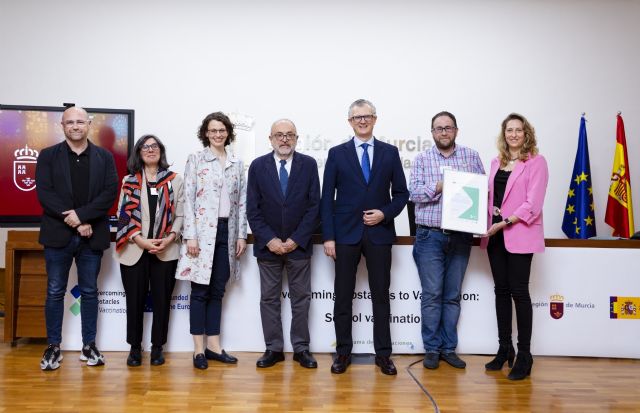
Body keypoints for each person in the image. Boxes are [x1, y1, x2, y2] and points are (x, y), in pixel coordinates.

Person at [321, 99, 409, 376]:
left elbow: (402, 194)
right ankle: (343, 352)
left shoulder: (390, 153)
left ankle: (383, 355)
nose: (362, 121)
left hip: (380, 234)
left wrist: (385, 214)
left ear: (375, 119)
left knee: (381, 296)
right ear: (350, 122)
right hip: (345, 235)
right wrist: (329, 237)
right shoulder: (337, 154)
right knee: (343, 296)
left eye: (367, 116)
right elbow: (327, 199)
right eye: (357, 117)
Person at [36, 106, 118, 370]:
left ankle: (89, 345)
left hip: (91, 235)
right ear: (62, 125)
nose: (75, 126)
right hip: (58, 235)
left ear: (88, 124)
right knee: (55, 291)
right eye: (69, 122)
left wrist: (82, 217)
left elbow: (109, 193)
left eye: (79, 122)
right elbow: (46, 193)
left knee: (90, 292)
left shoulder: (104, 157)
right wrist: (73, 220)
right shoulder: (48, 156)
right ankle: (53, 347)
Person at [409, 111, 485, 370]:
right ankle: (431, 349)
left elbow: (483, 190)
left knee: (452, 296)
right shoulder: (421, 159)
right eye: (439, 128)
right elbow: (414, 194)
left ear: (456, 130)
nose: (444, 132)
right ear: (432, 132)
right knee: (432, 295)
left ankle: (448, 348)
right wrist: (441, 185)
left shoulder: (471, 157)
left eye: (448, 128)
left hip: (461, 235)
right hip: (430, 234)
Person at [175, 112, 247, 370]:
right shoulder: (195, 159)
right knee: (200, 292)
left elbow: (242, 201)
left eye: (222, 130)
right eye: (213, 130)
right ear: (205, 133)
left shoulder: (237, 163)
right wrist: (190, 235)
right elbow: (189, 201)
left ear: (228, 132)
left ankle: (214, 347)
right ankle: (198, 350)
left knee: (218, 290)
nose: (218, 134)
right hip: (202, 235)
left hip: (227, 232)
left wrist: (240, 234)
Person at [247, 119, 320, 369]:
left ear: (297, 138)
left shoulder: (309, 165)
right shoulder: (257, 167)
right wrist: (270, 240)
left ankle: (301, 349)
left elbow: (314, 207)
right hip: (268, 247)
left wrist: (295, 240)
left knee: (301, 298)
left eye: (290, 135)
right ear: (270, 139)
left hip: (298, 247)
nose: (284, 139)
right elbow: (252, 209)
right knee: (269, 299)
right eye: (279, 135)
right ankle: (273, 349)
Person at [481, 113, 548, 380]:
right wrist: (490, 211)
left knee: (519, 293)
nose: (513, 135)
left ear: (526, 133)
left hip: (519, 232)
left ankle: (525, 355)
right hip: (495, 235)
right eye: (509, 130)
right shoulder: (497, 162)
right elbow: (491, 197)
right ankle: (504, 349)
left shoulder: (536, 162)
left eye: (518, 130)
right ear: (504, 134)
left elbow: (534, 203)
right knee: (500, 291)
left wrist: (504, 220)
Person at [114, 135, 184, 367]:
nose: (150, 150)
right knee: (134, 301)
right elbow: (123, 214)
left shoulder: (175, 180)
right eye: (145, 147)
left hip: (166, 249)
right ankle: (135, 348)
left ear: (161, 151)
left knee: (162, 301)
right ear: (139, 152)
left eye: (154, 146)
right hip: (135, 249)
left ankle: (157, 348)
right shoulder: (129, 181)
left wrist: (170, 238)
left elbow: (182, 215)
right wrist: (139, 239)